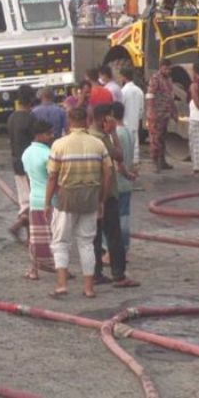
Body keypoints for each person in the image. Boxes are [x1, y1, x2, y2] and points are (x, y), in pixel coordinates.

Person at [46, 107, 111, 299]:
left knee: (60, 242)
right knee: (87, 243)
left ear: (69, 121)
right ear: (87, 120)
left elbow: (52, 177)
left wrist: (47, 202)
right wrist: (102, 199)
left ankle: (61, 285)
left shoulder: (59, 144)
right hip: (91, 197)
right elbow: (108, 174)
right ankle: (89, 288)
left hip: (66, 197)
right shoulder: (97, 144)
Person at [89, 103, 139, 288]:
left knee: (94, 235)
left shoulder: (89, 136)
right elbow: (119, 155)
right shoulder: (102, 139)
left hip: (91, 192)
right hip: (107, 193)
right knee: (114, 234)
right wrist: (113, 133)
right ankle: (119, 275)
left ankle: (95, 272)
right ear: (105, 119)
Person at [21, 119, 56, 279]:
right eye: (48, 133)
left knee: (36, 238)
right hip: (51, 201)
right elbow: (53, 179)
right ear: (39, 135)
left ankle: (34, 270)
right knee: (57, 238)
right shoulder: (49, 154)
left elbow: (28, 178)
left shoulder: (26, 153)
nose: (52, 136)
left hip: (34, 198)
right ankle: (60, 268)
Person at [7, 85, 36, 242]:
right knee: (33, 199)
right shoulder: (31, 119)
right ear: (31, 100)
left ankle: (24, 230)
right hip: (29, 164)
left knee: (24, 200)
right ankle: (25, 232)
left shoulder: (11, 118)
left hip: (16, 162)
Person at [111, 102, 137, 256]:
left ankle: (115, 250)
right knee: (125, 217)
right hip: (127, 182)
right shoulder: (128, 132)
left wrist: (126, 173)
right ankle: (125, 248)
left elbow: (118, 163)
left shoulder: (116, 135)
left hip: (118, 181)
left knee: (116, 219)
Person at [146, 59, 178, 173]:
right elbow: (150, 95)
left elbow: (170, 97)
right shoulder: (155, 78)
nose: (168, 71)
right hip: (156, 114)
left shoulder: (169, 80)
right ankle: (155, 163)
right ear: (161, 67)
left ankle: (162, 161)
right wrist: (152, 111)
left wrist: (174, 112)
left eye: (169, 69)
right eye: (166, 68)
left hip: (165, 114)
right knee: (155, 138)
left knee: (163, 138)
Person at [119, 68, 144, 166]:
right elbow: (141, 108)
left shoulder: (123, 91)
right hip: (135, 121)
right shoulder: (139, 91)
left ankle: (128, 161)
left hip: (125, 121)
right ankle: (136, 160)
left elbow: (121, 107)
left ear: (124, 78)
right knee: (135, 142)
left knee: (126, 144)